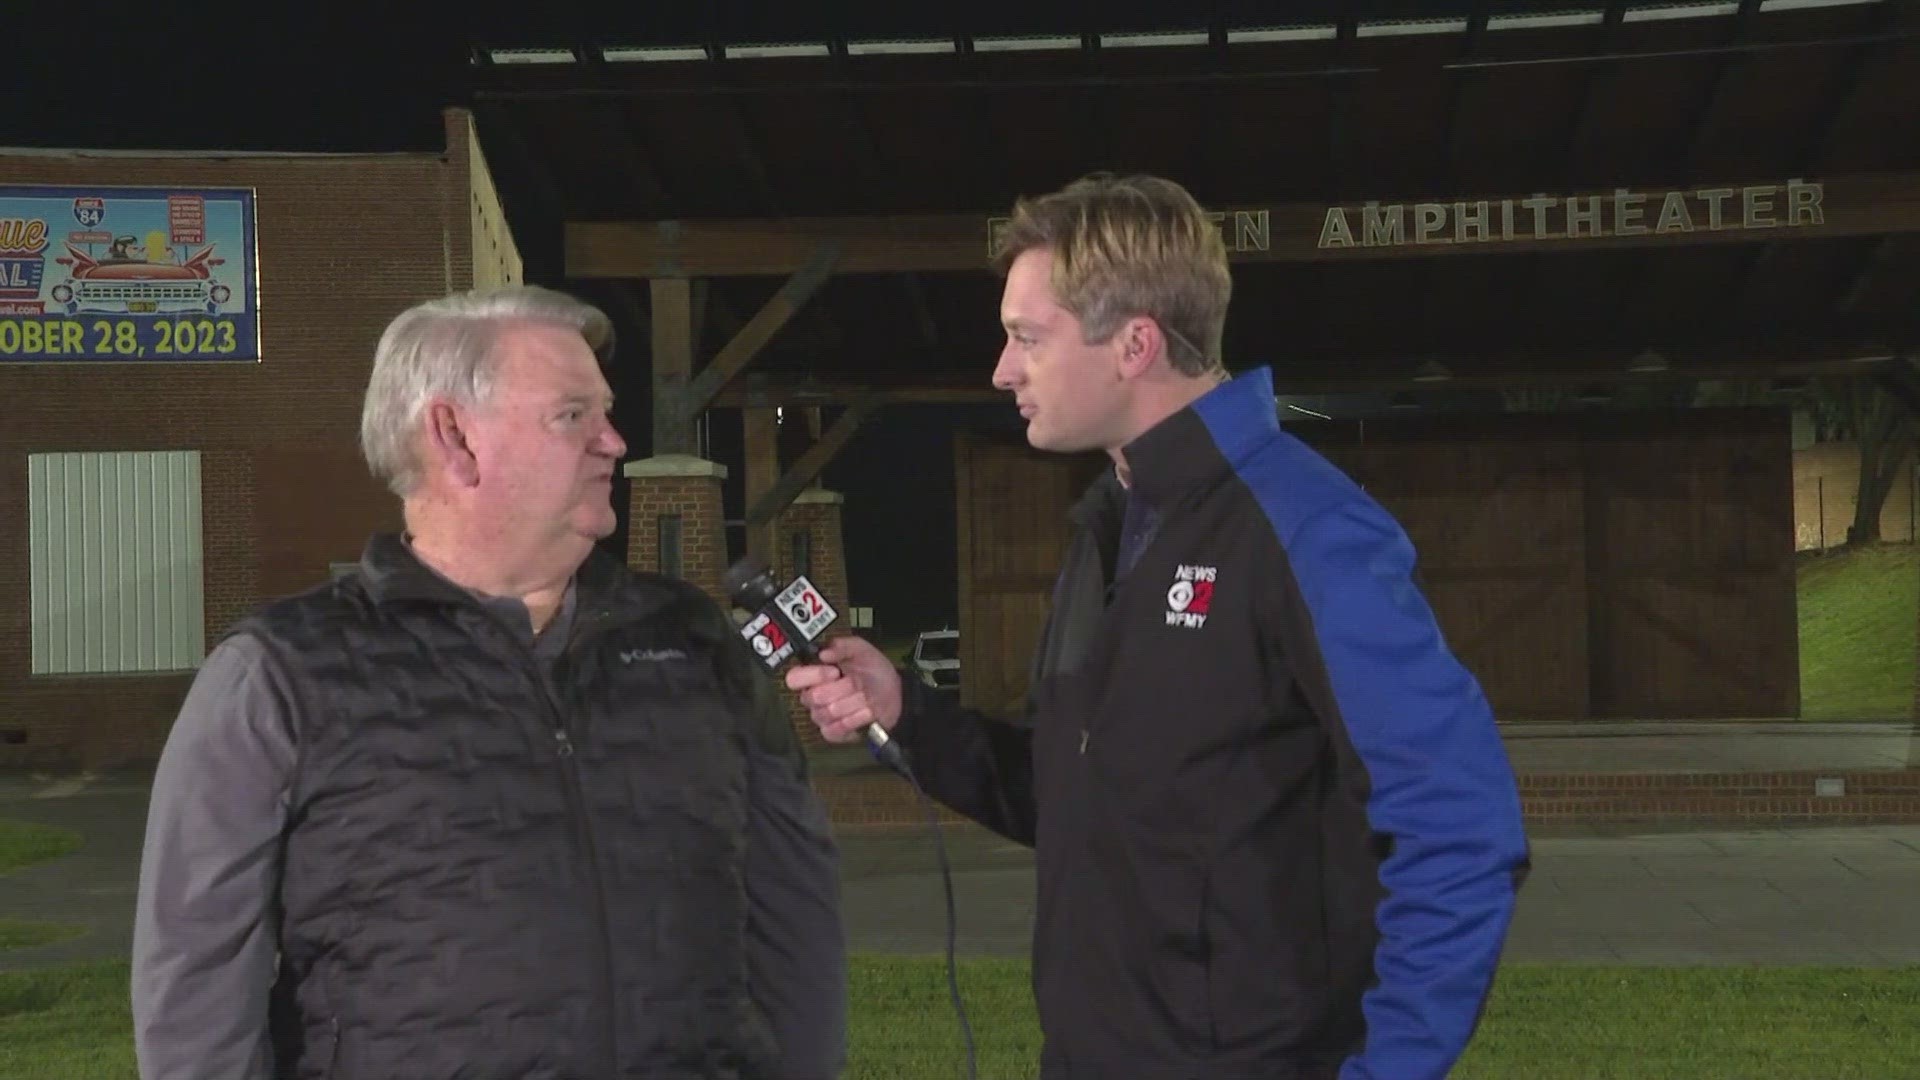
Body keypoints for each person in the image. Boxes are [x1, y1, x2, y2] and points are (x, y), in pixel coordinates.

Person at [787, 174, 1529, 1080]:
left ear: (1134, 344)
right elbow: (1082, 796)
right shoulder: (1107, 530)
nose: (1002, 370)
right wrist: (908, 714)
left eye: (1027, 338)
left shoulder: (1307, 528)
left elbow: (1460, 829)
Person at [132, 285, 846, 1080]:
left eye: (604, 412)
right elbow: (195, 1000)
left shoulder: (695, 642)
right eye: (572, 415)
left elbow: (797, 920)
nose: (613, 441)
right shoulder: (280, 676)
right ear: (453, 436)